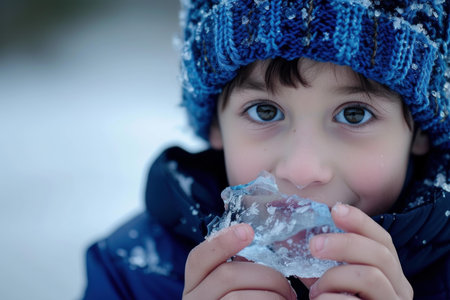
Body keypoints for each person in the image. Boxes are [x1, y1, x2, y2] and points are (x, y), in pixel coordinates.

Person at [82, 0, 450, 299]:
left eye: (354, 114)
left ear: (419, 132)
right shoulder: (132, 270)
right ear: (215, 125)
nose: (303, 171)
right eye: (265, 111)